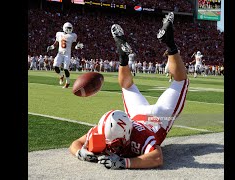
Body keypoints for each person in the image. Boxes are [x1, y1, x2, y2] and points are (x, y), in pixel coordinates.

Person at [69, 12, 189, 169]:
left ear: (127, 135)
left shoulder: (138, 137)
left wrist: (125, 163)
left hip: (159, 117)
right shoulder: (105, 130)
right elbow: (76, 144)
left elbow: (157, 157)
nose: (111, 147)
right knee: (133, 86)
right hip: (138, 115)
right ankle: (130, 56)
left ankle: (165, 46)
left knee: (180, 82)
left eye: (116, 143)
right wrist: (80, 152)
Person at [46, 22, 84, 88]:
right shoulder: (59, 34)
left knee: (66, 69)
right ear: (64, 28)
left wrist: (77, 47)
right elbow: (56, 43)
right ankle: (61, 76)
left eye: (70, 28)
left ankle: (68, 82)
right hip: (60, 53)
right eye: (68, 28)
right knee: (55, 66)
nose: (69, 29)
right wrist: (51, 47)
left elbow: (74, 46)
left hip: (67, 54)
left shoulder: (73, 35)